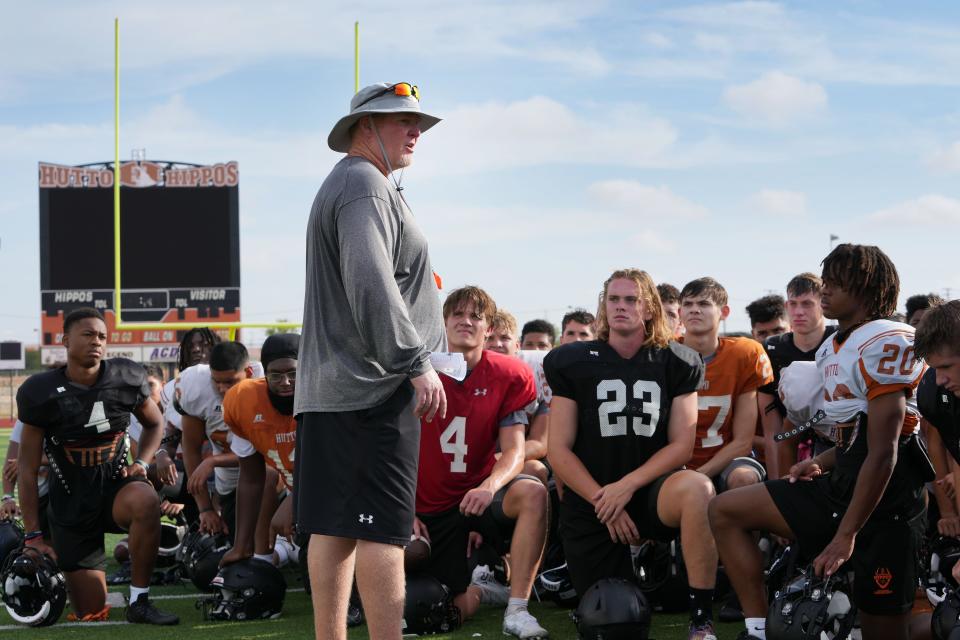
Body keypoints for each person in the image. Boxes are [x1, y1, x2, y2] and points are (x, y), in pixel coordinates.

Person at [710, 244, 927, 640]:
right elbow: (856, 438)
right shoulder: (833, 345)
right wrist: (821, 462)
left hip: (885, 500)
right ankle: (758, 629)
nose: (824, 290)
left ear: (863, 286)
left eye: (835, 283)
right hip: (843, 481)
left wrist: (846, 535)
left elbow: (885, 450)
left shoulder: (888, 339)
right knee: (725, 510)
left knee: (885, 628)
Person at [294, 81, 447, 640]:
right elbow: (370, 282)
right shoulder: (364, 184)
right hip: (370, 390)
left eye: (418, 123)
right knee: (384, 532)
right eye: (402, 120)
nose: (416, 132)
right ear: (365, 127)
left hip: (339, 390)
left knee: (333, 530)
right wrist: (415, 362)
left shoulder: (356, 183)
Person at [545, 268, 719, 640]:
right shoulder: (571, 360)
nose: (621, 307)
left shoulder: (677, 360)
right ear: (603, 306)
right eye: (614, 299)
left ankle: (702, 620)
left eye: (631, 300)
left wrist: (627, 487)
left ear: (650, 308)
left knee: (698, 488)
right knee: (613, 615)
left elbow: (682, 446)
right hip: (592, 499)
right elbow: (557, 449)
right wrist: (604, 499)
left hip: (650, 493)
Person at [15, 307, 178, 624]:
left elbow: (155, 424)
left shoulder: (126, 377)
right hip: (70, 502)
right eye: (88, 334)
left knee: (145, 500)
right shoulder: (40, 392)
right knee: (90, 612)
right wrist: (34, 535)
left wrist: (142, 462)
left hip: (116, 488)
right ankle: (66, 567)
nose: (97, 341)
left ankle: (140, 601)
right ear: (65, 340)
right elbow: (27, 470)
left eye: (102, 336)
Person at [414, 287, 549, 638]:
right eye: (458, 314)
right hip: (430, 504)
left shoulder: (508, 374)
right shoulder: (418, 371)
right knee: (430, 608)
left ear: (488, 329)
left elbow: (516, 450)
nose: (466, 321)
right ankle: (480, 588)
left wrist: (488, 487)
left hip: (477, 496)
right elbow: (391, 448)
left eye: (476, 316)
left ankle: (517, 609)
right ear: (444, 322)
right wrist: (402, 508)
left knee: (534, 492)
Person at [679, 278, 773, 491]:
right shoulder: (664, 354)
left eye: (703, 304)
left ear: (724, 312)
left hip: (728, 458)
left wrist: (699, 475)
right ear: (679, 313)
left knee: (744, 478)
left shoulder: (744, 354)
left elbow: (743, 441)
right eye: (688, 304)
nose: (694, 310)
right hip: (675, 462)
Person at [220, 333, 300, 568]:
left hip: (340, 494)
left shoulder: (325, 394)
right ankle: (274, 553)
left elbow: (336, 465)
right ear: (264, 373)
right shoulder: (243, 400)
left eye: (293, 373)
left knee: (316, 563)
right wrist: (241, 545)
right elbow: (252, 478)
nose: (285, 382)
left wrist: (295, 499)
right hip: (296, 489)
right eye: (276, 375)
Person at [178, 342, 266, 545]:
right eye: (216, 381)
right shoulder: (196, 386)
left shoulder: (266, 383)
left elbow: (266, 451)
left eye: (230, 381)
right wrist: (206, 509)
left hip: (268, 479)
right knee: (238, 545)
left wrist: (214, 461)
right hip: (230, 485)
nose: (222, 388)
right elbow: (191, 448)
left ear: (249, 372)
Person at [756, 273, 836, 479]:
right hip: (788, 433)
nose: (799, 312)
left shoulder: (840, 340)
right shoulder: (772, 349)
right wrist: (776, 486)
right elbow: (773, 429)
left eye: (807, 304)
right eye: (793, 304)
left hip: (833, 439)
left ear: (823, 305)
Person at [916, 301, 960, 544]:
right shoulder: (935, 393)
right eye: (934, 369)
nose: (940, 379)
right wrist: (950, 514)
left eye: (946, 367)